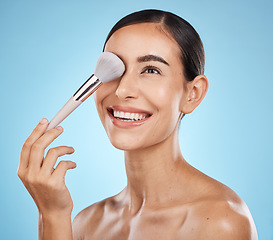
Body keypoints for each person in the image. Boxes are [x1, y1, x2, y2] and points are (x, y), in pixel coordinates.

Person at [18, 9, 258, 240]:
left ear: (192, 94)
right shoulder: (86, 223)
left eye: (151, 70)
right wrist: (51, 215)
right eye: (116, 68)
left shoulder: (221, 220)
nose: (122, 90)